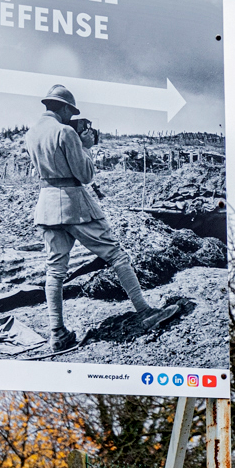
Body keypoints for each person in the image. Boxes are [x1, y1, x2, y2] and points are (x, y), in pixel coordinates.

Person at [26, 84, 179, 351]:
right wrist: (85, 147)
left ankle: (57, 333)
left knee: (55, 270)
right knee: (117, 255)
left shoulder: (31, 133)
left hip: (46, 206)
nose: (70, 118)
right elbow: (85, 175)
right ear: (64, 108)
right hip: (74, 203)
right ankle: (144, 311)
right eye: (70, 112)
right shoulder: (65, 133)